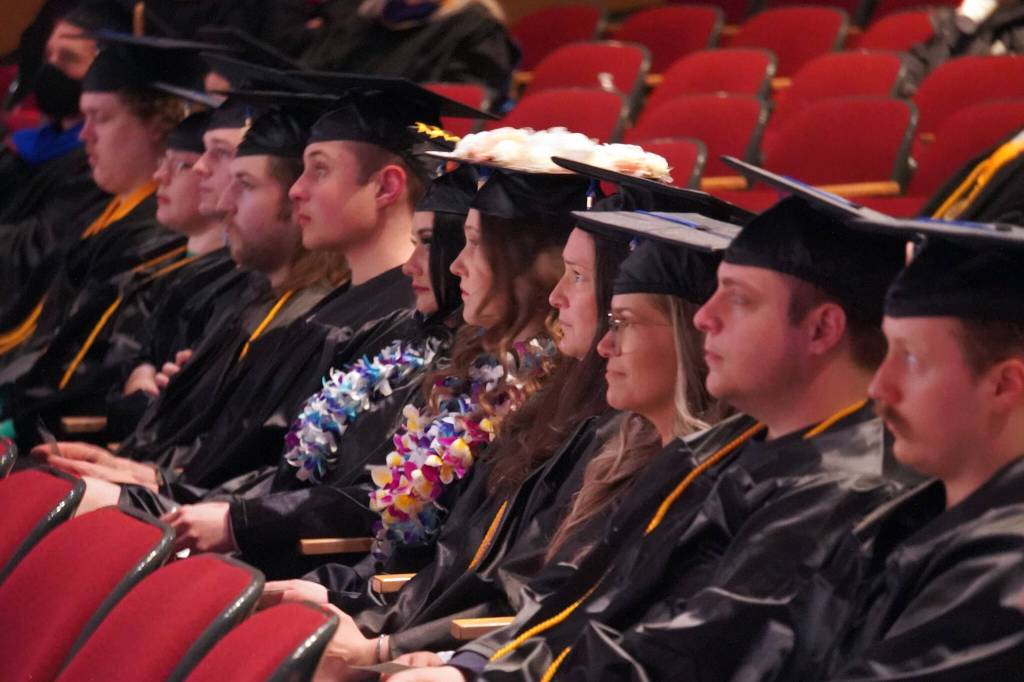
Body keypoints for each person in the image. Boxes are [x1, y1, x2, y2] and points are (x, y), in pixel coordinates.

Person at [390, 196, 917, 682]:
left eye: (738, 300)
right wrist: (464, 666)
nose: (706, 318)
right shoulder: (719, 452)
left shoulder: (843, 491)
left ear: (822, 330)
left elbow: (685, 654)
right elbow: (582, 602)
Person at [41, 80, 488, 515]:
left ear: (386, 187)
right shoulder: (332, 306)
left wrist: (160, 494)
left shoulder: (408, 324)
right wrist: (153, 480)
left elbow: (327, 490)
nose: (297, 190)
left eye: (319, 169)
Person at [812, 219, 1024, 679]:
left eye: (910, 358)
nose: (878, 387)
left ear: (1004, 385)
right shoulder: (912, 520)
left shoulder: (1006, 575)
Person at [0, 32, 205, 440]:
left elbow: (91, 368)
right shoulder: (104, 210)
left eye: (102, 118)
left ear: (157, 126)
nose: (83, 134)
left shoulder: (157, 238)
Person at [298, 0, 518, 107]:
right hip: (323, 135)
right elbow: (312, 73)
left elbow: (464, 106)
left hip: (409, 156)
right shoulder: (365, 13)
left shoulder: (475, 26)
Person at [901, 0, 1024, 96]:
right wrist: (907, 85)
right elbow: (919, 58)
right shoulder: (951, 17)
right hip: (929, 108)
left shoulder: (1016, 34)